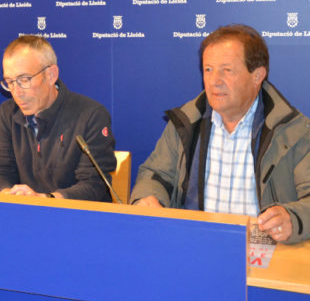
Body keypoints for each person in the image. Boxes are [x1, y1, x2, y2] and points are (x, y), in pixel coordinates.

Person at [130, 24, 310, 244]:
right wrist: (149, 197)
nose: (214, 81)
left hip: (262, 246)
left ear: (257, 76)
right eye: (208, 69)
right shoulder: (186, 123)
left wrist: (293, 219)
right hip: (194, 242)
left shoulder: (294, 131)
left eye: (226, 70)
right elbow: (154, 174)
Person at [0, 35, 116, 200]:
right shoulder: (8, 112)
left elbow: (94, 185)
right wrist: (8, 194)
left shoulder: (91, 116)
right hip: (23, 212)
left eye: (24, 80)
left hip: (75, 216)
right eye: (10, 82)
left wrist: (45, 199)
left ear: (51, 75)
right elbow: (0, 168)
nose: (16, 92)